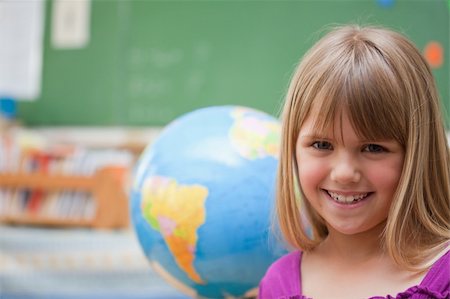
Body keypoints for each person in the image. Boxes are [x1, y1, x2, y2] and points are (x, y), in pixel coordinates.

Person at [258, 25, 450, 299]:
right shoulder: (277, 285)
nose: (345, 173)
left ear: (417, 154)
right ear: (293, 148)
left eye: (373, 148)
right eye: (322, 145)